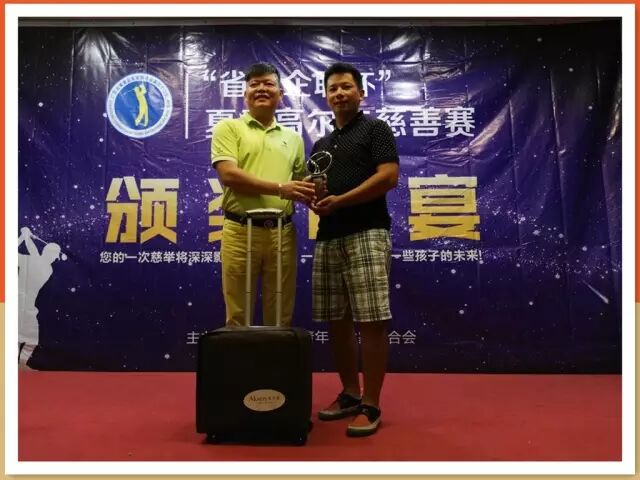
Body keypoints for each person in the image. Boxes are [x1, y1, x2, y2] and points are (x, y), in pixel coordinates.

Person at [310, 62, 399, 437]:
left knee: (371, 320)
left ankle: (371, 403)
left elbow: (388, 177)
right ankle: (349, 393)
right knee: (337, 320)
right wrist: (312, 198)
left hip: (368, 232)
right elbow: (317, 189)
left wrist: (341, 201)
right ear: (326, 96)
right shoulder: (321, 145)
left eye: (346, 87)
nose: (339, 93)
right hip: (328, 237)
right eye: (333, 89)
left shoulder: (375, 129)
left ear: (361, 93)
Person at [211, 62, 316, 327]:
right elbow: (229, 175)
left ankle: (276, 357)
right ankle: (239, 356)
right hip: (239, 231)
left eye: (268, 84)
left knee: (280, 315)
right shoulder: (228, 128)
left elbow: (300, 183)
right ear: (245, 94)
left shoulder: (293, 138)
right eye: (254, 84)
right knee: (238, 316)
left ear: (281, 94)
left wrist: (317, 188)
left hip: (282, 233)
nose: (261, 89)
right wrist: (281, 189)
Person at [18, 226, 62, 369]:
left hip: (28, 306)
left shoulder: (47, 269)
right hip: (17, 303)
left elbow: (34, 253)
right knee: (16, 336)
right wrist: (24, 237)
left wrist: (26, 236)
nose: (54, 259)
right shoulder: (29, 260)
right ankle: (16, 365)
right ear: (46, 252)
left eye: (55, 257)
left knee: (32, 339)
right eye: (53, 255)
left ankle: (21, 364)